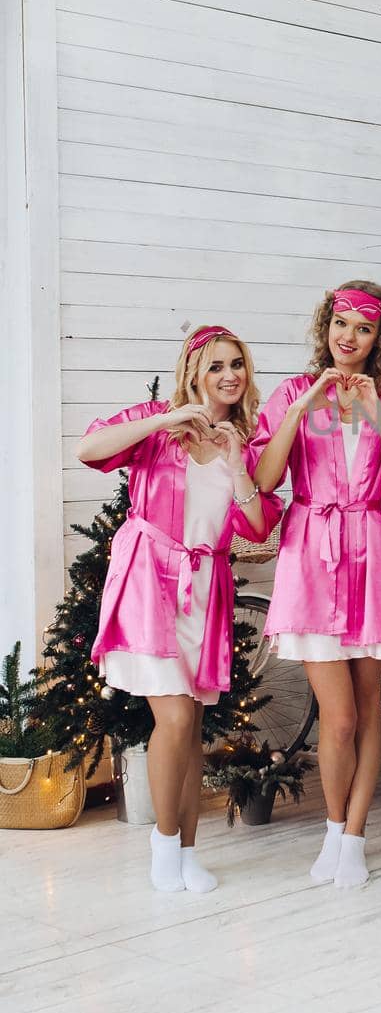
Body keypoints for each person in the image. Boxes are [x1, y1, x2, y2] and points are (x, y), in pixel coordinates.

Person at [78, 326, 280, 893]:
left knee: (192, 726)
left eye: (237, 364)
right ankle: (163, 844)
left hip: (204, 590)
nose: (229, 376)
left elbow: (258, 525)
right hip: (149, 581)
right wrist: (169, 418)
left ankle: (188, 851)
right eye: (216, 366)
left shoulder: (247, 440)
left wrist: (237, 460)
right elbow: (88, 448)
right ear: (194, 371)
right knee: (172, 718)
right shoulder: (157, 424)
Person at [252, 282, 381, 888]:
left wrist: (378, 416)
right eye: (340, 324)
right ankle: (332, 827)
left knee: (369, 708)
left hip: (372, 552)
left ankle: (354, 837)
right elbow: (267, 479)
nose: (348, 337)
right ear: (326, 326)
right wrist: (302, 407)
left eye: (363, 328)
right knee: (340, 714)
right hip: (311, 556)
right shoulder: (294, 394)